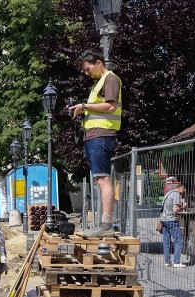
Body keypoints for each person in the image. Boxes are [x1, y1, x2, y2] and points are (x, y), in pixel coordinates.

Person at [68, 48, 122, 238]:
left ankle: (106, 224)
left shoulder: (110, 79)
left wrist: (84, 106)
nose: (86, 73)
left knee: (103, 178)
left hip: (102, 135)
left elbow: (110, 106)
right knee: (100, 178)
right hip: (94, 136)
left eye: (87, 68)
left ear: (99, 62)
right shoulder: (99, 82)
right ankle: (104, 224)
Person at [159, 183, 186, 268]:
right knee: (179, 241)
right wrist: (182, 207)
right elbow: (175, 209)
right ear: (180, 188)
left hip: (163, 220)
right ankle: (176, 262)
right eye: (183, 190)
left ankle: (167, 262)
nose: (183, 192)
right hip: (171, 220)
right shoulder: (176, 194)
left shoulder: (168, 193)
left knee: (166, 241)